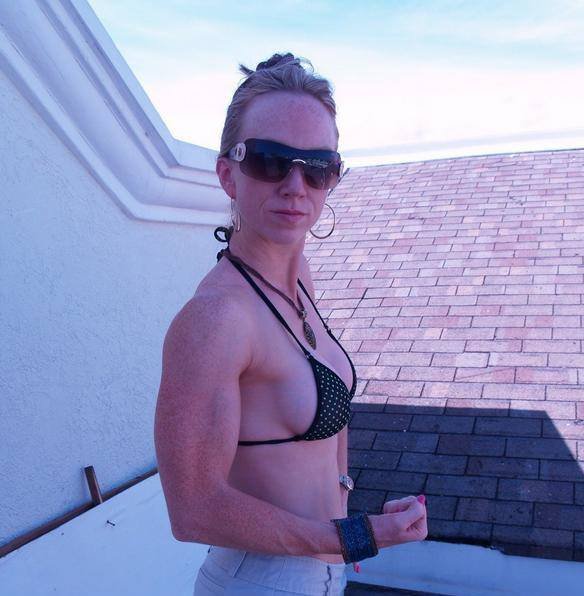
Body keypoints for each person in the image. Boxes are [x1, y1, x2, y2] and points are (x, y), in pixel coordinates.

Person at [154, 52, 428, 596]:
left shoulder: (298, 278)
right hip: (258, 581)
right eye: (270, 160)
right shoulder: (216, 319)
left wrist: (346, 509)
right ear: (228, 174)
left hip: (321, 572)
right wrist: (356, 536)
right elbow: (193, 509)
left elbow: (324, 430)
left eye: (318, 167)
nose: (296, 185)